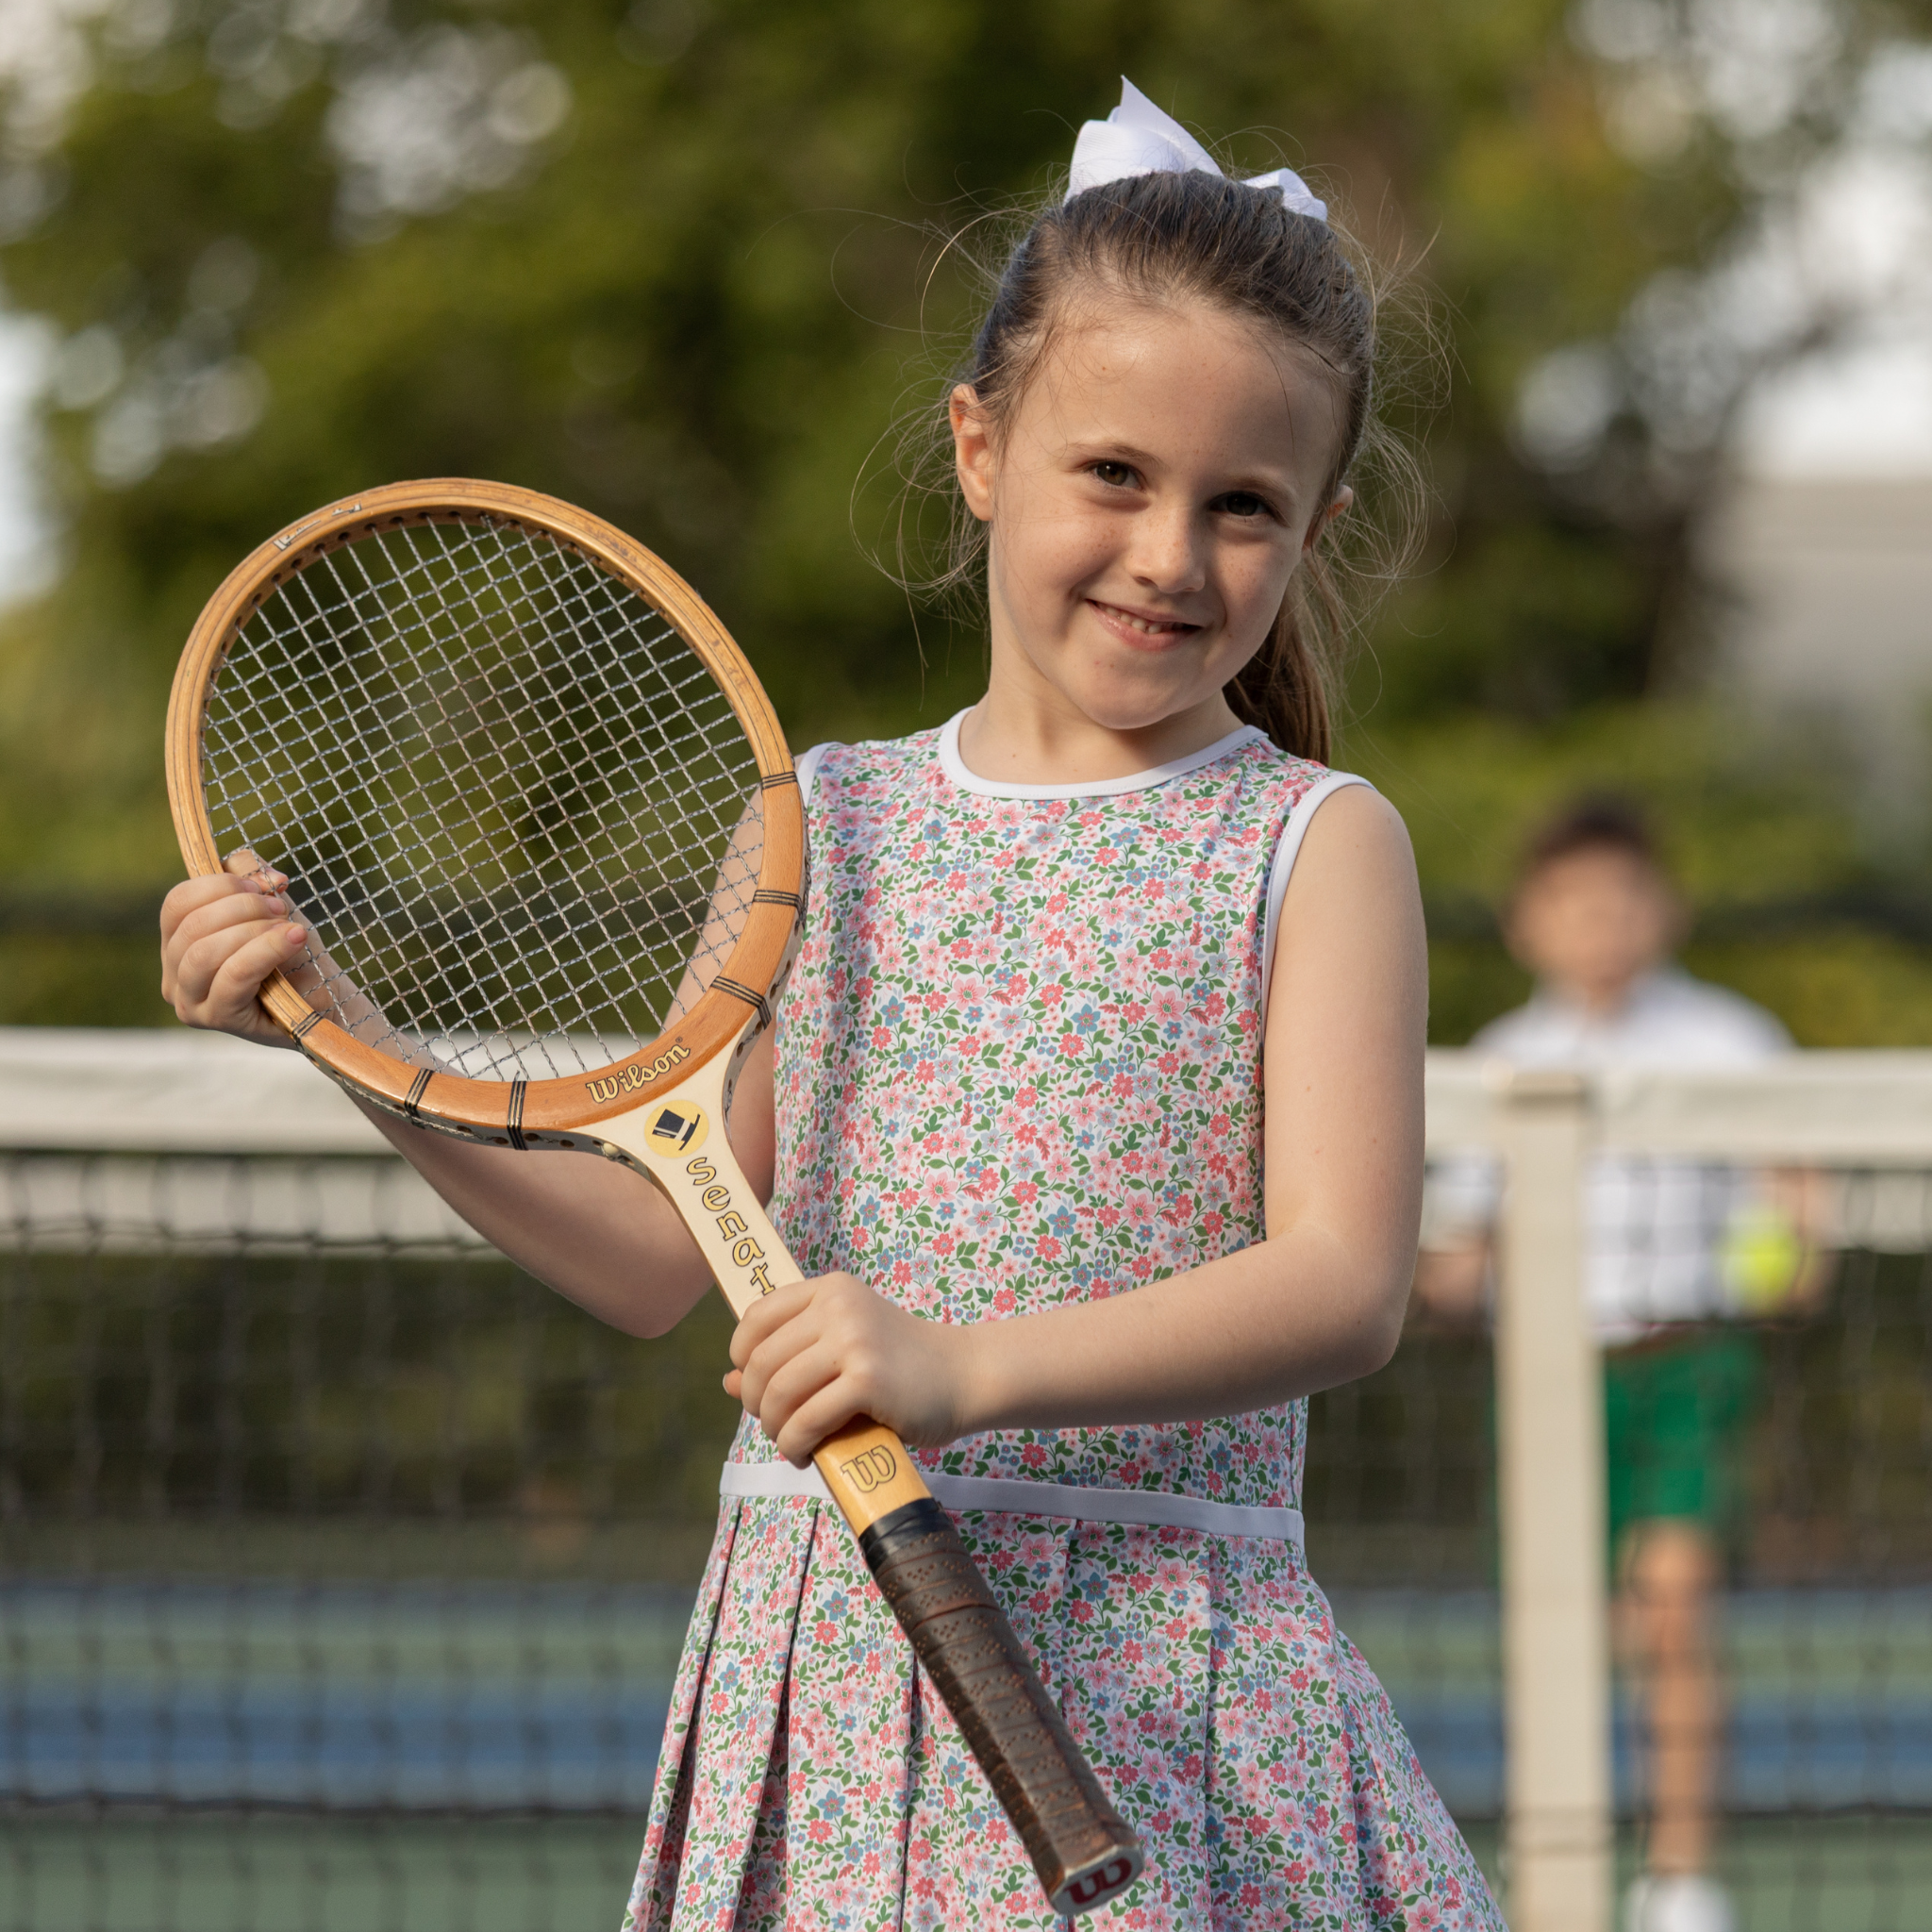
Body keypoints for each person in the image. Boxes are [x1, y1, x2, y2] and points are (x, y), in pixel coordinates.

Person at [160, 81, 1502, 1931]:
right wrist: (352, 1039)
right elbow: (661, 1253)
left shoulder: (1314, 840)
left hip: (1170, 1680)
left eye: (1241, 505)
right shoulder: (823, 822)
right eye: (1112, 474)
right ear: (979, 445)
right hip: (834, 1670)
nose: (1167, 555)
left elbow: (1341, 1283)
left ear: (1315, 526)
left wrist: (960, 1369)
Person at [1415, 798, 1825, 1932]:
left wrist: (1794, 1256)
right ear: (1526, 921)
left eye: (1619, 897)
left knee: (1670, 1609)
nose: (1597, 920)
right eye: (1570, 901)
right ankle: (1560, 1853)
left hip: (1688, 1361)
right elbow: (1460, 1249)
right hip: (1545, 1382)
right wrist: (1408, 1280)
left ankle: (1681, 1879)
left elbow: (1797, 1206)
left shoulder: (1731, 1041)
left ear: (1662, 909)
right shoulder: (1504, 1055)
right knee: (1562, 1631)